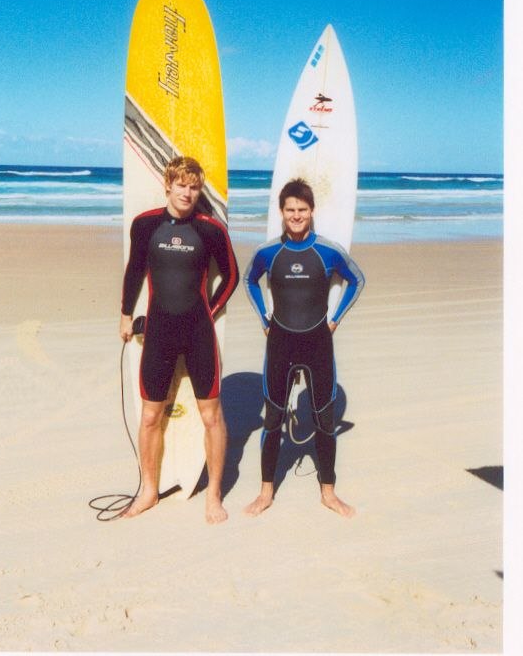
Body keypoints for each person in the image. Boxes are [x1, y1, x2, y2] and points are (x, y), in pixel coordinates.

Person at [120, 155, 238, 524]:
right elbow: (135, 270)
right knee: (151, 415)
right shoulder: (145, 225)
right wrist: (125, 314)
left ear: (198, 190)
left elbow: (231, 277)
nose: (187, 192)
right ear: (167, 185)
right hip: (158, 333)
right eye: (181, 185)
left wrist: (211, 310)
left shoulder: (211, 230)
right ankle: (149, 490)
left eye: (194, 186)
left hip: (199, 332)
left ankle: (214, 495)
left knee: (212, 415)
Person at [243, 178, 365, 517]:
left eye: (302, 210)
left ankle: (329, 492)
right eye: (290, 210)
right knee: (273, 419)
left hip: (317, 342)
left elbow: (357, 279)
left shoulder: (328, 251)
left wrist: (336, 318)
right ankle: (266, 492)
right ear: (281, 212)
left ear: (311, 212)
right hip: (281, 341)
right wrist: (264, 320)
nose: (296, 215)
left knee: (325, 419)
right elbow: (249, 279)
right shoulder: (269, 252)